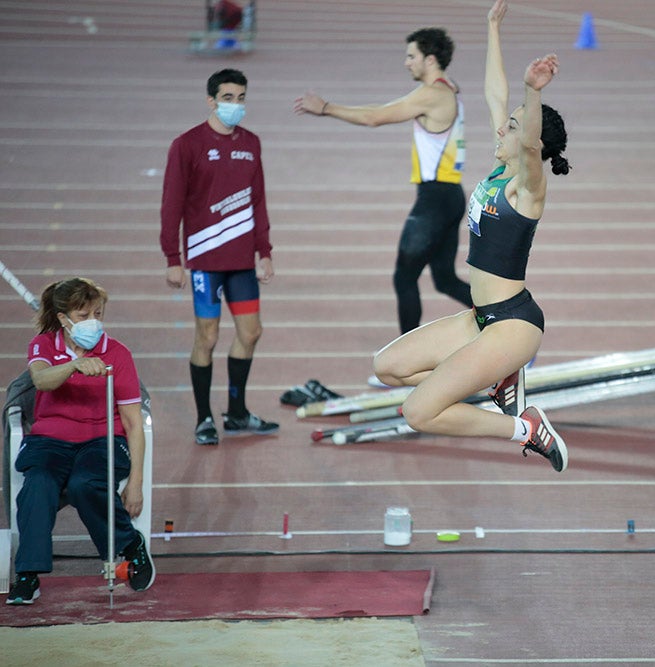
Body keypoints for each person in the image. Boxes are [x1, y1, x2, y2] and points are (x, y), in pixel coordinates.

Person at [369, 0, 571, 472]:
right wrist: (492, 28)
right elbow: (492, 94)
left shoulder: (528, 187)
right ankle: (496, 382)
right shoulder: (501, 169)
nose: (502, 126)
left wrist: (532, 91)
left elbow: (530, 136)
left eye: (514, 125)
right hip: (481, 318)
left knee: (419, 411)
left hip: (513, 325)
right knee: (387, 367)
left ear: (530, 142)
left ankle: (527, 428)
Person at [293, 26, 473, 336]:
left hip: (435, 200)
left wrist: (326, 108)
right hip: (449, 196)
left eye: (411, 56)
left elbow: (375, 117)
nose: (406, 62)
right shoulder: (448, 88)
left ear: (430, 60)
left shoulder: (432, 94)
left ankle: (404, 361)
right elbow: (378, 110)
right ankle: (505, 326)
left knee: (404, 278)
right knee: (445, 280)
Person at [6, 278, 155, 605]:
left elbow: (132, 422)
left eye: (98, 314)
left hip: (102, 440)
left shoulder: (118, 353)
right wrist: (73, 364)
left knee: (84, 484)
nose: (93, 322)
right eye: (84, 314)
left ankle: (130, 546)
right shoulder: (43, 345)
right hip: (49, 440)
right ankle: (28, 575)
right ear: (63, 318)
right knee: (38, 484)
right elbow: (41, 380)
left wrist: (136, 483)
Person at [160, 68, 278, 446]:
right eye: (228, 98)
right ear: (211, 100)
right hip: (205, 265)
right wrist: (172, 258)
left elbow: (258, 199)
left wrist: (265, 251)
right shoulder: (187, 144)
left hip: (242, 263)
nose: (236, 106)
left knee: (251, 333)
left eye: (241, 98)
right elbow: (172, 203)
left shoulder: (252, 143)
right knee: (207, 337)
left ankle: (238, 413)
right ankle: (204, 419)